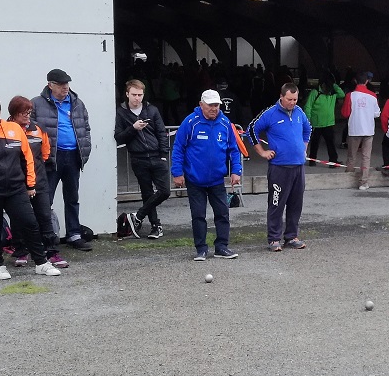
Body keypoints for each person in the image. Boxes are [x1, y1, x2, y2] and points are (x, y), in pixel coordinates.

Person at [0, 96, 61, 279]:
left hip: (15, 189)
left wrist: (30, 184)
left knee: (30, 223)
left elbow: (27, 159)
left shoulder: (14, 129)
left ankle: (41, 262)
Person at [171, 89, 242, 261]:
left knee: (222, 213)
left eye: (216, 105)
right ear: (201, 105)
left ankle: (222, 247)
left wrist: (236, 170)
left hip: (217, 179)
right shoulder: (190, 122)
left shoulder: (225, 123)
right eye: (210, 105)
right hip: (195, 179)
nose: (214, 108)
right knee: (198, 215)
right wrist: (177, 172)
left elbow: (234, 149)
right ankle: (201, 249)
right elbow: (178, 147)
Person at [31, 69, 92, 251]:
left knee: (72, 198)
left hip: (73, 156)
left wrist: (85, 149)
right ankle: (45, 238)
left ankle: (74, 234)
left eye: (67, 84)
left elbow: (86, 128)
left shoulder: (77, 103)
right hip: (50, 159)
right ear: (51, 85)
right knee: (45, 199)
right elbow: (31, 132)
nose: (65, 87)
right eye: (61, 84)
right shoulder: (36, 104)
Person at [247, 83, 311, 252]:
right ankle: (274, 238)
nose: (293, 103)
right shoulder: (270, 113)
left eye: (295, 99)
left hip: (298, 166)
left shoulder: (299, 112)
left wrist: (304, 147)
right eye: (289, 99)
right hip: (279, 167)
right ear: (281, 97)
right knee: (276, 203)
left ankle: (291, 236)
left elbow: (308, 129)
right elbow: (252, 129)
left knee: (296, 204)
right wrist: (262, 152)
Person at [8, 96, 69, 268]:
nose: (27, 116)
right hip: (17, 183)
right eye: (23, 113)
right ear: (13, 114)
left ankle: (52, 252)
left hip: (39, 181)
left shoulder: (38, 129)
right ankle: (21, 251)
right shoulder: (5, 130)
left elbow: (45, 154)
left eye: (29, 112)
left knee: (44, 215)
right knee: (20, 218)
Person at [115, 79, 171, 239]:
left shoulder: (151, 110)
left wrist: (163, 154)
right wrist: (133, 128)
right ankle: (156, 226)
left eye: (140, 95)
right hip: (138, 158)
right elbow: (118, 137)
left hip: (156, 156)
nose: (137, 98)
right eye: (134, 95)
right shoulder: (122, 112)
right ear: (127, 94)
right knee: (147, 193)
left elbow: (161, 133)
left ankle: (138, 217)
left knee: (165, 191)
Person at [341, 71, 381, 190]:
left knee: (351, 156)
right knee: (366, 157)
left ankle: (348, 178)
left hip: (354, 130)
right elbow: (377, 114)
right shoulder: (373, 96)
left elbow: (345, 113)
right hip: (368, 130)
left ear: (354, 81)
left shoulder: (350, 95)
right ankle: (363, 182)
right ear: (367, 81)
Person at [303, 72, 345, 168]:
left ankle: (333, 161)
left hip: (328, 123)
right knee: (315, 143)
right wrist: (308, 120)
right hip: (316, 123)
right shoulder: (315, 92)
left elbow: (342, 94)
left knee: (330, 143)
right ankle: (312, 160)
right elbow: (308, 107)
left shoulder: (332, 93)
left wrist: (334, 85)